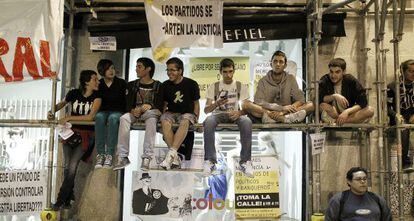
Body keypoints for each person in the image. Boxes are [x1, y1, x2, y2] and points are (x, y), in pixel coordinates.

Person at [47, 70, 101, 210]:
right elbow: (61, 104)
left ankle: (59, 201)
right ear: (86, 81)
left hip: (86, 136)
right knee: (67, 167)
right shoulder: (74, 93)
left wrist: (69, 117)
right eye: (95, 79)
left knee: (72, 168)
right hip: (69, 134)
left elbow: (90, 117)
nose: (98, 82)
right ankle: (68, 198)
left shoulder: (97, 97)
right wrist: (52, 111)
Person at [203, 58, 253, 177]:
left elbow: (248, 107)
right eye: (225, 72)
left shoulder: (240, 86)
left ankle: (245, 161)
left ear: (234, 71)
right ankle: (210, 161)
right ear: (220, 72)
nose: (228, 75)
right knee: (208, 121)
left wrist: (240, 113)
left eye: (230, 71)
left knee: (247, 121)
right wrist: (216, 104)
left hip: (234, 114)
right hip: (218, 114)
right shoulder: (214, 86)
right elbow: (206, 110)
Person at [113, 57, 162, 171]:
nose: (136, 69)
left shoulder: (158, 85)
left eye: (139, 67)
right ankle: (123, 156)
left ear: (148, 69)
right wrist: (132, 110)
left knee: (151, 119)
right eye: (136, 66)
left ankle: (147, 157)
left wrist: (151, 106)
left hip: (150, 113)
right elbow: (126, 103)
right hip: (135, 113)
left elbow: (161, 104)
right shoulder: (131, 85)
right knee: (124, 118)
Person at [243, 50, 314, 123]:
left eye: (281, 62)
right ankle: (275, 117)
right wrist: (280, 108)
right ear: (271, 64)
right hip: (267, 112)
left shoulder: (291, 79)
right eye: (275, 61)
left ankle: (284, 118)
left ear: (285, 65)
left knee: (310, 105)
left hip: (287, 113)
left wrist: (283, 112)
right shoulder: (263, 81)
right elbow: (258, 101)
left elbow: (300, 99)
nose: (278, 64)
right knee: (245, 104)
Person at [159, 57, 200, 170]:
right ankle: (174, 157)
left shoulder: (191, 84)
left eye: (172, 70)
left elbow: (196, 103)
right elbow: (164, 104)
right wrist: (161, 119)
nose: (169, 73)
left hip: (187, 113)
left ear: (180, 71)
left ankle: (171, 154)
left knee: (185, 119)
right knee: (164, 119)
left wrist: (196, 118)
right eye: (167, 70)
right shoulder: (165, 85)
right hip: (171, 112)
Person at [319, 58, 374, 125]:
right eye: (331, 72)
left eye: (337, 72)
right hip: (334, 113)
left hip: (348, 114)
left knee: (370, 110)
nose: (333, 75)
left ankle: (336, 122)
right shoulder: (326, 79)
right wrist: (334, 96)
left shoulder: (350, 80)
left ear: (344, 72)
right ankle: (339, 121)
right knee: (322, 105)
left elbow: (363, 101)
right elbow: (319, 99)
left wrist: (347, 112)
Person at [325, 167, 392, 221]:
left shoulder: (377, 199)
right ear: (349, 181)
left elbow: (387, 218)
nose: (362, 182)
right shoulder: (339, 200)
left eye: (364, 179)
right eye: (358, 179)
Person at [94, 59, 126, 169]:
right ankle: (101, 154)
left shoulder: (121, 83)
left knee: (113, 118)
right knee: (98, 117)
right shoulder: (99, 84)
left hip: (118, 111)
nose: (111, 71)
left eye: (112, 68)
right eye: (107, 69)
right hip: (103, 111)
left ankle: (109, 154)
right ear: (102, 71)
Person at [387, 59, 414, 172]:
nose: (413, 74)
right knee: (403, 127)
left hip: (411, 116)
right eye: (411, 71)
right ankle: (405, 162)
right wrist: (395, 114)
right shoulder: (393, 86)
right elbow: (386, 107)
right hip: (399, 118)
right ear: (402, 72)